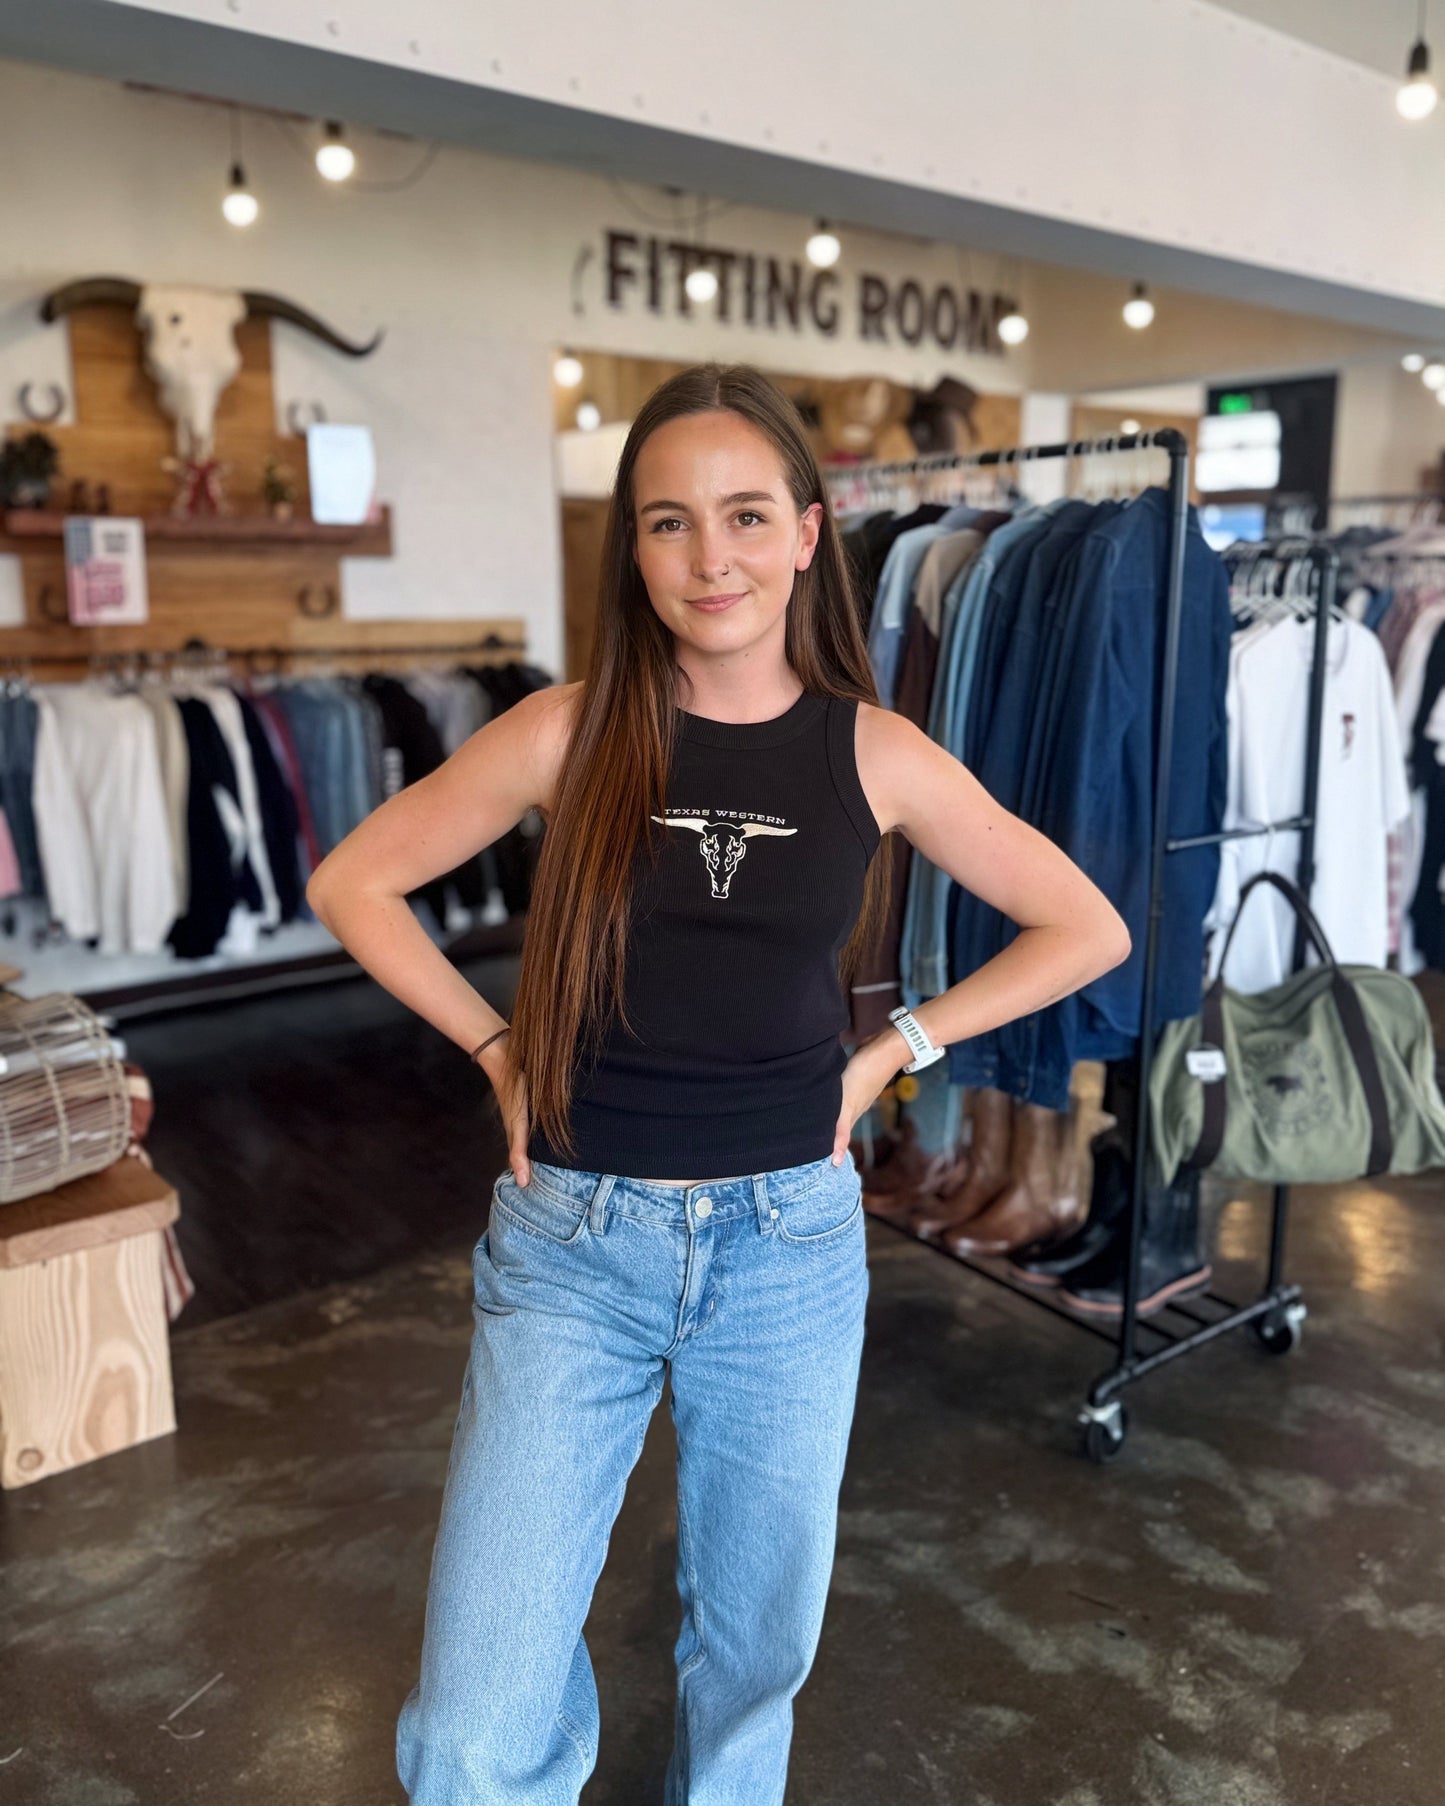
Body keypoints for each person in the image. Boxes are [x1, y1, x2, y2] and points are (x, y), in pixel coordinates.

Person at [305, 361, 1130, 1805]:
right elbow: (354, 879)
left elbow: (1088, 925)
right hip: (572, 1241)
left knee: (753, 1667)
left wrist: (894, 1048)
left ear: (810, 532)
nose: (710, 557)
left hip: (786, 1251)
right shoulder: (568, 728)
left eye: (745, 515)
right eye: (667, 522)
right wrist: (495, 1045)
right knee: (470, 1719)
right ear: (631, 546)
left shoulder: (870, 749)